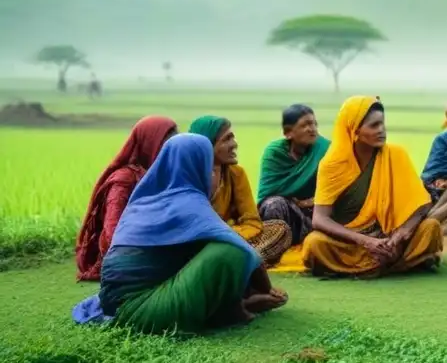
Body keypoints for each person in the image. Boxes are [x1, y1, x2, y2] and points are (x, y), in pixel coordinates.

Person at [71, 134, 288, 334]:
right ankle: (232, 311)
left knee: (211, 250)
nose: (213, 175)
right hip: (139, 312)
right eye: (210, 168)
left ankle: (235, 302)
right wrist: (268, 289)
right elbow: (243, 251)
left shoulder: (146, 198)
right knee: (228, 251)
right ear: (195, 168)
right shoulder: (189, 202)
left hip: (114, 302)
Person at [302, 95, 444, 277]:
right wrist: (367, 242)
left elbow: (422, 204)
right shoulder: (332, 165)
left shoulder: (395, 155)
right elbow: (320, 219)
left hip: (390, 237)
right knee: (314, 244)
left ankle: (383, 260)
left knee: (431, 227)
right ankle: (402, 263)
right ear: (354, 130)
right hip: (352, 241)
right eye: (374, 125)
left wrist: (401, 234)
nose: (382, 130)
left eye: (382, 124)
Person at [75, 116, 178, 281]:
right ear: (149, 144)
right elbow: (112, 235)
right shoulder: (124, 180)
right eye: (166, 146)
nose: (172, 153)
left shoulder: (162, 174)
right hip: (125, 253)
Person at [188, 115, 290, 267]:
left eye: (233, 138)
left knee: (280, 230)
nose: (234, 144)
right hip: (195, 242)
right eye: (226, 139)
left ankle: (234, 259)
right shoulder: (187, 175)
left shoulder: (236, 174)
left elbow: (252, 221)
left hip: (229, 238)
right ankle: (241, 262)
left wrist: (230, 235)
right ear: (206, 145)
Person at [257, 104, 330, 246]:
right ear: (288, 133)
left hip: (316, 214)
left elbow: (338, 188)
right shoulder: (274, 153)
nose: (312, 129)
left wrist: (308, 202)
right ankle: (274, 248)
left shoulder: (326, 150)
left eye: (314, 124)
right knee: (273, 204)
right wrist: (295, 203)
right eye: (305, 125)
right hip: (288, 214)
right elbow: (267, 193)